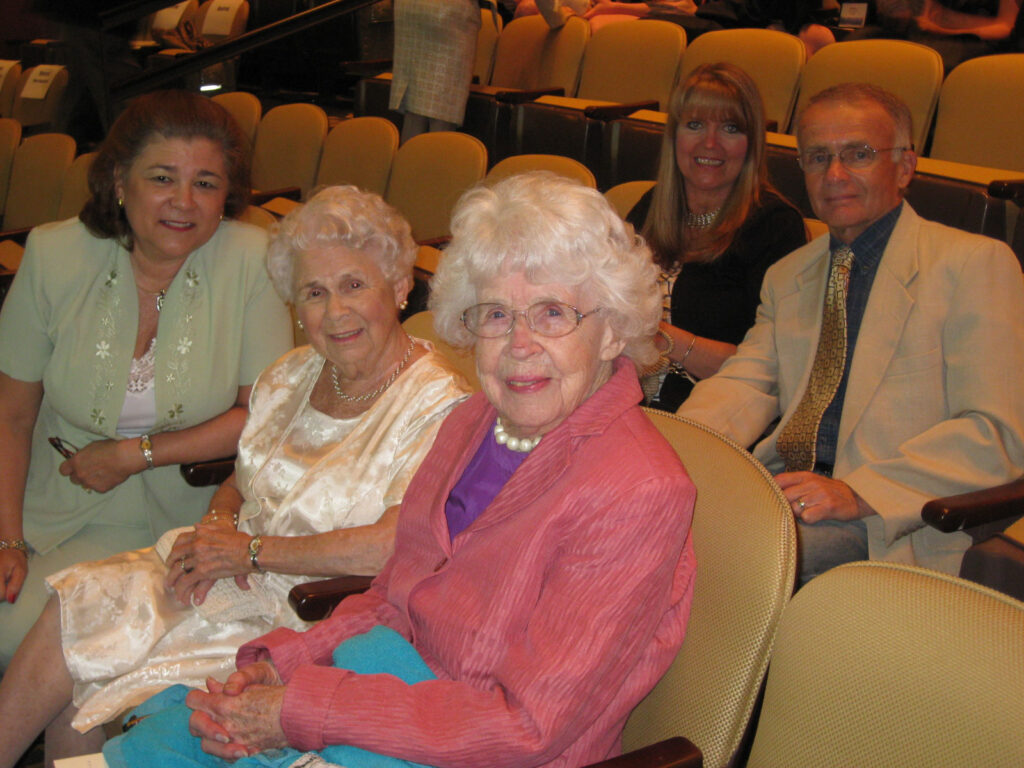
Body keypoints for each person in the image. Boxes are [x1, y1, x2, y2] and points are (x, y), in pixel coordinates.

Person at [112, 172, 696, 768]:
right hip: (391, 693)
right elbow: (395, 595)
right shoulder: (473, 422)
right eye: (496, 314)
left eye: (552, 313)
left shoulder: (637, 489)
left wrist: (301, 710)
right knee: (161, 741)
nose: (519, 344)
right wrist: (284, 666)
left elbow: (525, 726)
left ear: (612, 331)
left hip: (481, 751)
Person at [0, 185, 473, 767]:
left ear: (399, 287)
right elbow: (242, 479)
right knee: (79, 604)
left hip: (312, 613)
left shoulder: (439, 406)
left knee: (89, 682)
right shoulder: (292, 374)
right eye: (314, 293)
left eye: (355, 285)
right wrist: (218, 525)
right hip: (232, 572)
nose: (335, 312)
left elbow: (392, 546)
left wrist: (248, 553)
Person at [678, 83, 1024, 586]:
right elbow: (744, 384)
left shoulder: (972, 264)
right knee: (643, 523)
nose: (834, 175)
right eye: (818, 158)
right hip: (786, 491)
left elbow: (996, 431)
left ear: (904, 167)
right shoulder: (790, 275)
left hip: (891, 516)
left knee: (724, 568)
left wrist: (859, 492)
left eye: (858, 154)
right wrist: (673, 449)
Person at [0, 90, 293, 666]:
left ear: (227, 195)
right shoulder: (55, 253)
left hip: (187, 520)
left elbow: (261, 415)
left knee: (48, 647)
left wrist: (135, 454)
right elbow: (11, 415)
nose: (183, 202)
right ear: (118, 180)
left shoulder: (253, 260)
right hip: (47, 505)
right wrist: (7, 538)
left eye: (205, 183)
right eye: (162, 178)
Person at [627, 62, 806, 411]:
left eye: (730, 128)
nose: (710, 143)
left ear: (752, 144)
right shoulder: (652, 206)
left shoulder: (775, 227)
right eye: (694, 125)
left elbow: (774, 369)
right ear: (674, 136)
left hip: (711, 415)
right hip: (624, 402)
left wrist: (657, 337)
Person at [389, 0, 486, 142]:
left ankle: (409, 155)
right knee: (442, 109)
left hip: (409, 7)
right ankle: (437, 153)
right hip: (447, 9)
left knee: (414, 108)